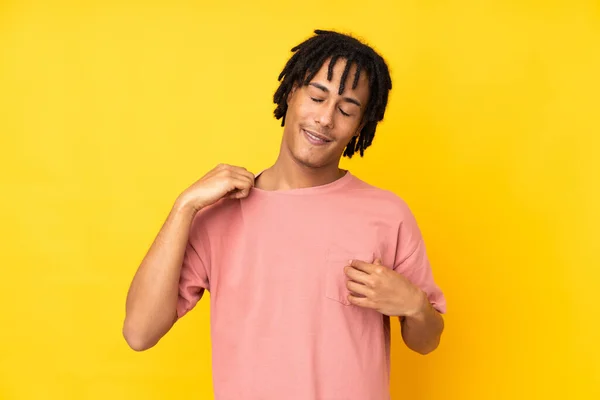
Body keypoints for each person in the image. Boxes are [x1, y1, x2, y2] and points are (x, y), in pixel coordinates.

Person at [123, 29, 446, 400]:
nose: (325, 119)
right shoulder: (219, 215)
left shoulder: (388, 214)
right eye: (316, 96)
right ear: (292, 91)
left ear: (360, 126)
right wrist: (184, 207)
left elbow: (425, 342)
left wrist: (414, 306)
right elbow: (139, 332)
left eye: (346, 110)